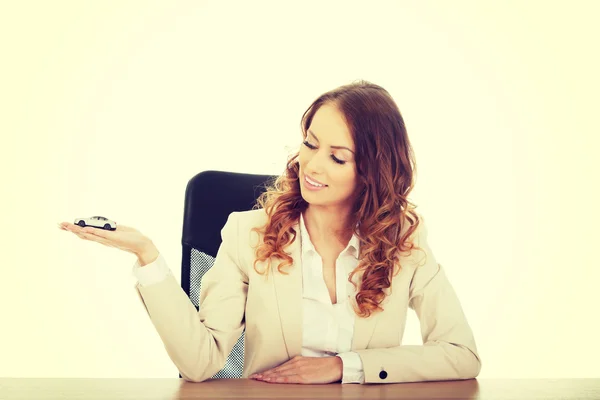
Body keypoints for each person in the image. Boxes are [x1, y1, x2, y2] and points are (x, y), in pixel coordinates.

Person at [58, 80, 481, 384]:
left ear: (374, 171)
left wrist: (343, 367)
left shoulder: (404, 240)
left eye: (337, 157)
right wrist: (147, 257)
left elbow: (462, 356)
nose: (312, 165)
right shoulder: (248, 233)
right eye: (310, 144)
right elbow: (201, 363)